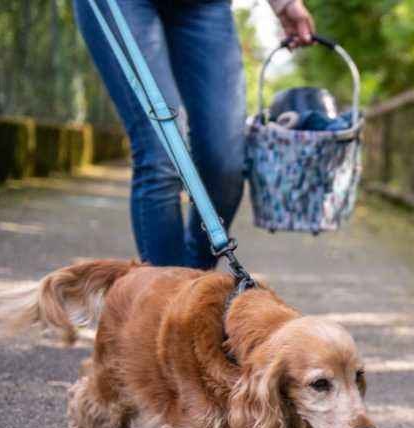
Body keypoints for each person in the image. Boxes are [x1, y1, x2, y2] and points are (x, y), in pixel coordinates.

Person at [74, 0, 316, 269]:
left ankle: (195, 275)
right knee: (162, 156)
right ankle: (166, 288)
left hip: (205, 7)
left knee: (225, 163)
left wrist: (285, 3)